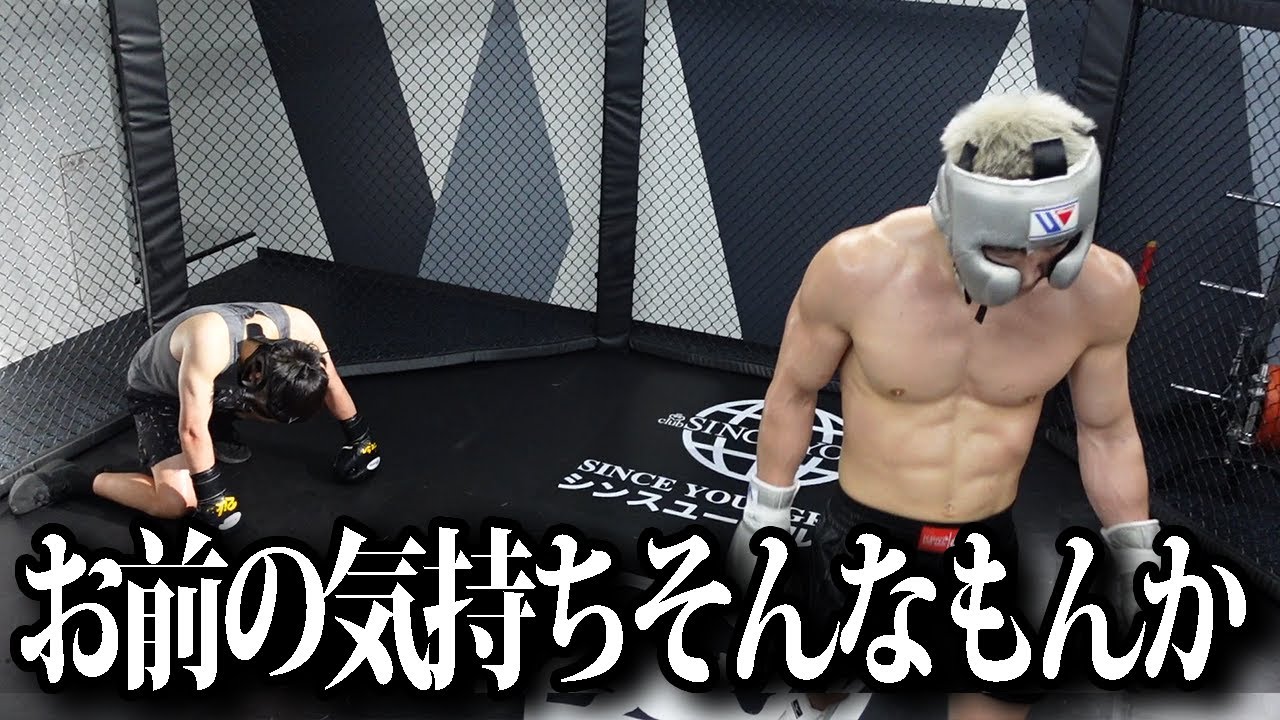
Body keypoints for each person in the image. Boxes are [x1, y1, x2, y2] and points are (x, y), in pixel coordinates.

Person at [728, 91, 1161, 720]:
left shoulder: (1101, 290)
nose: (1030, 276)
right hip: (866, 535)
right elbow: (794, 391)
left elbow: (1107, 431)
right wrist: (763, 516)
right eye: (1007, 252)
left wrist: (1135, 551)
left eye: (1051, 252)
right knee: (823, 685)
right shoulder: (857, 268)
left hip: (984, 543)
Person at [8, 301, 383, 531]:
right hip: (159, 394)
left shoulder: (299, 326)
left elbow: (331, 383)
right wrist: (214, 496)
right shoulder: (210, 341)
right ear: (256, 376)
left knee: (281, 407)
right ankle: (75, 478)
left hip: (220, 384)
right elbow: (190, 429)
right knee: (175, 504)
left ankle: (222, 424)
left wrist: (362, 441)